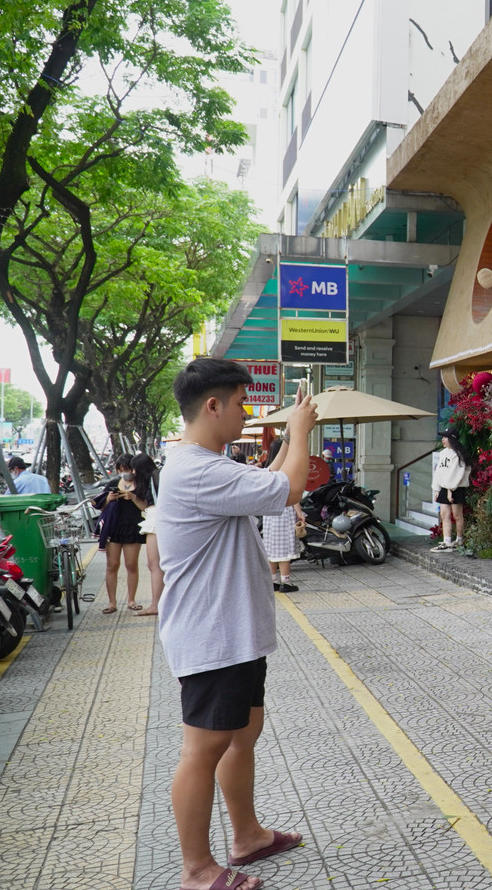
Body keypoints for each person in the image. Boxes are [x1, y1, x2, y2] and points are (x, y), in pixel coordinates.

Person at [155, 358, 318, 890]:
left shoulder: (204, 463)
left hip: (235, 633)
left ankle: (247, 836)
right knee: (203, 749)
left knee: (242, 734)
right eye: (242, 403)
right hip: (213, 636)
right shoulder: (196, 467)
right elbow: (289, 490)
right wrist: (298, 433)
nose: (246, 414)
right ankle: (197, 869)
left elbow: (266, 483)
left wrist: (283, 443)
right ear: (212, 406)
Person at [94, 453, 145, 614]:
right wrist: (109, 498)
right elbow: (100, 507)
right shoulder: (113, 483)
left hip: (132, 527)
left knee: (131, 565)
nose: (124, 472)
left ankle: (131, 600)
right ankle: (112, 602)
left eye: (127, 469)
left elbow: (145, 506)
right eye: (121, 469)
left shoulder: (141, 484)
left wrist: (132, 497)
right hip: (114, 527)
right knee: (112, 565)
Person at [132, 454, 164, 617]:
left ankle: (156, 604)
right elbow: (144, 505)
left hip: (157, 519)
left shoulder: (155, 477)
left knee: (154, 564)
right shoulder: (155, 477)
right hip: (157, 517)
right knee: (157, 564)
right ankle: (158, 603)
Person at [430, 428, 470, 552]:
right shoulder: (443, 453)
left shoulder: (458, 455)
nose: (443, 439)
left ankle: (459, 539)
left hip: (456, 488)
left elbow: (457, 473)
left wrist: (450, 489)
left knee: (457, 515)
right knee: (444, 514)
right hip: (444, 487)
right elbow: (439, 472)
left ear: (452, 438)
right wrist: (437, 488)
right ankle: (446, 541)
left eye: (445, 437)